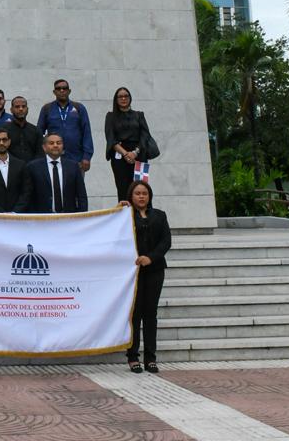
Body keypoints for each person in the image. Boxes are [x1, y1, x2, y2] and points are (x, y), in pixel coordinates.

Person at [125, 179, 171, 374]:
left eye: (144, 193)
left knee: (150, 314)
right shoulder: (124, 216)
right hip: (132, 272)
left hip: (154, 270)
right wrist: (118, 209)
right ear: (131, 196)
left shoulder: (160, 216)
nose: (141, 196)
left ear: (149, 196)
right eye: (137, 193)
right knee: (134, 314)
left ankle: (150, 358)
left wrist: (150, 258)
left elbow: (165, 241)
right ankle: (133, 357)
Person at [104, 87, 150, 204]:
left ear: (130, 98)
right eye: (120, 96)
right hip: (120, 157)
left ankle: (142, 220)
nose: (123, 98)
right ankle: (126, 219)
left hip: (139, 155)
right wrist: (125, 153)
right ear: (116, 99)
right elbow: (110, 138)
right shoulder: (110, 116)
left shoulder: (139, 115)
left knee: (141, 189)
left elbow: (145, 136)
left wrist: (135, 152)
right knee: (123, 190)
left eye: (126, 96)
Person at [36, 78, 94, 169]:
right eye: (58, 89)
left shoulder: (79, 108)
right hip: (54, 158)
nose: (62, 90)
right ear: (54, 92)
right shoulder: (47, 108)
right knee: (55, 183)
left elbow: (86, 132)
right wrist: (43, 153)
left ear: (69, 91)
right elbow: (39, 133)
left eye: (64, 88)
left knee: (76, 183)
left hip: (76, 158)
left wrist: (87, 157)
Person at [24, 134, 88, 213]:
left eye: (58, 143)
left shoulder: (73, 166)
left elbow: (81, 195)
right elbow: (27, 196)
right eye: (51, 143)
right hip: (42, 219)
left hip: (69, 218)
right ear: (44, 147)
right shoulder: (33, 167)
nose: (55, 145)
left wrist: (83, 216)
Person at [4, 96, 44, 162]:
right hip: (11, 168)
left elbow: (40, 153)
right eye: (17, 107)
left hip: (32, 168)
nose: (21, 109)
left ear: (27, 109)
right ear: (11, 110)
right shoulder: (4, 130)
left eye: (23, 106)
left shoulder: (36, 131)